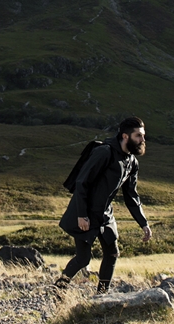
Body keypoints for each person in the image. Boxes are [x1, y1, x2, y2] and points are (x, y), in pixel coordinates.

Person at [56, 116, 152, 293]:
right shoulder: (104, 152)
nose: (142, 140)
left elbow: (131, 195)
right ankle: (57, 289)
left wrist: (143, 223)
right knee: (83, 259)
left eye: (143, 135)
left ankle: (102, 295)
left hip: (105, 215)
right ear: (125, 136)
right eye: (138, 136)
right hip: (85, 212)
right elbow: (82, 183)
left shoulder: (132, 162)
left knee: (112, 253)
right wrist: (82, 215)